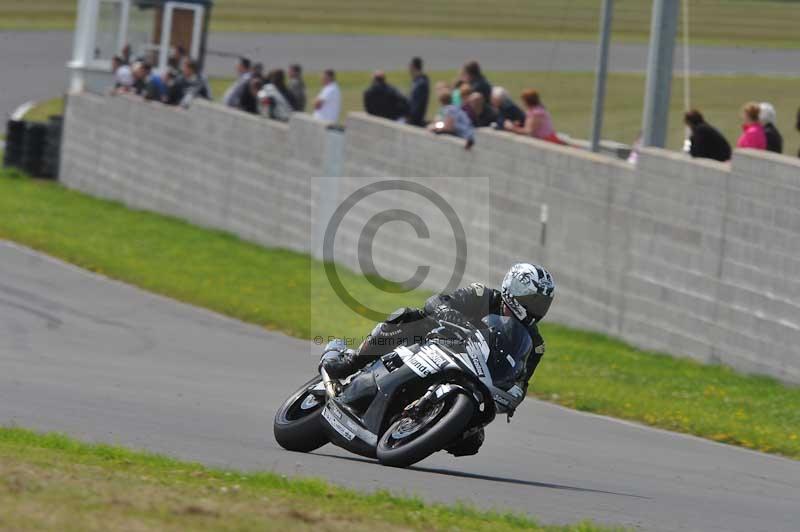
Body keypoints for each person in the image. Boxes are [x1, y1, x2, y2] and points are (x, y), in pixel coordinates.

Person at [321, 263, 555, 457]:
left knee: (470, 444)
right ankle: (352, 361)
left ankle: (425, 426)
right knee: (408, 317)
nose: (536, 309)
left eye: (542, 304)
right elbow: (437, 301)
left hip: (478, 377)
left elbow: (521, 381)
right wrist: (446, 311)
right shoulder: (482, 295)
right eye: (532, 300)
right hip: (438, 343)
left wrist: (514, 393)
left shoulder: (535, 344)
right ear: (513, 290)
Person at [407, 56, 429, 127]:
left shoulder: (421, 83)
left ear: (413, 67)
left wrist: (410, 119)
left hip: (415, 122)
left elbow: (417, 106)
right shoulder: (417, 81)